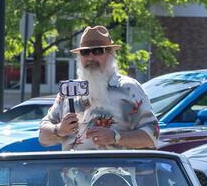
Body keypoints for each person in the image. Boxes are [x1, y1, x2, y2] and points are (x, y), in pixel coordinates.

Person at [38, 24, 159, 153]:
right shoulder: (69, 92)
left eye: (97, 51)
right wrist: (59, 129)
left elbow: (152, 136)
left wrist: (116, 137)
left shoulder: (128, 88)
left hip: (115, 166)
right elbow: (42, 137)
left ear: (110, 53)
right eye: (85, 52)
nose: (90, 57)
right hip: (73, 166)